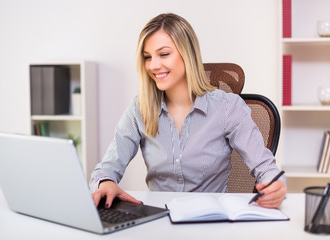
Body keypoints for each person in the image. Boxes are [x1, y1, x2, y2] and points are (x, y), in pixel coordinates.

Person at [90, 13, 287, 209]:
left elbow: (267, 169)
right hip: (160, 221)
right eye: (147, 57)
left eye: (164, 54)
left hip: (211, 222)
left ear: (188, 54)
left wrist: (275, 186)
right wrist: (105, 182)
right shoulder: (140, 109)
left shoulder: (227, 107)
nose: (154, 65)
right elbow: (106, 168)